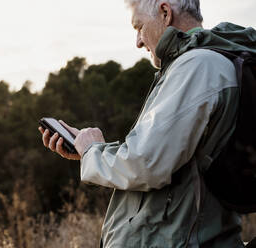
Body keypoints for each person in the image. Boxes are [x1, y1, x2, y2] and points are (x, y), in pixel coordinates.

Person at [39, 0, 256, 247]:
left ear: (165, 12)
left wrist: (93, 152)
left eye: (138, 27)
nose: (138, 41)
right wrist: (86, 151)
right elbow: (164, 156)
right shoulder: (197, 64)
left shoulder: (198, 66)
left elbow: (145, 162)